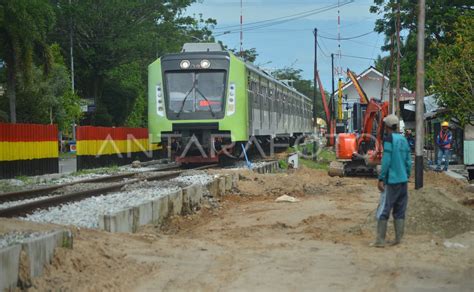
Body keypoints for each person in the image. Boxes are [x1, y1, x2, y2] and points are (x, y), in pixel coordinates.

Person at [373, 114, 412, 248]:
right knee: (400, 210)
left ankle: (380, 240)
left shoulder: (388, 139)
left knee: (384, 209)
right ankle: (398, 239)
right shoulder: (403, 140)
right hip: (403, 180)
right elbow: (408, 161)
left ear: (387, 126)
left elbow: (386, 161)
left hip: (392, 180)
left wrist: (381, 178)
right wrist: (406, 175)